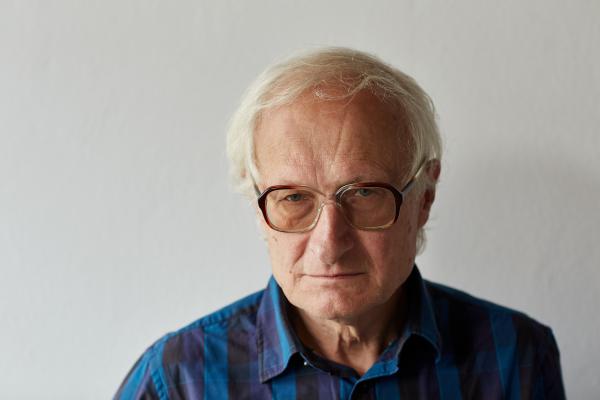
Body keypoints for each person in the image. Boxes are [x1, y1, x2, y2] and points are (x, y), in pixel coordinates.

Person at [114, 47, 566, 399]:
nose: (329, 244)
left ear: (424, 198)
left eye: (364, 194)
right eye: (293, 198)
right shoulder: (179, 379)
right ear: (258, 209)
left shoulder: (514, 356)